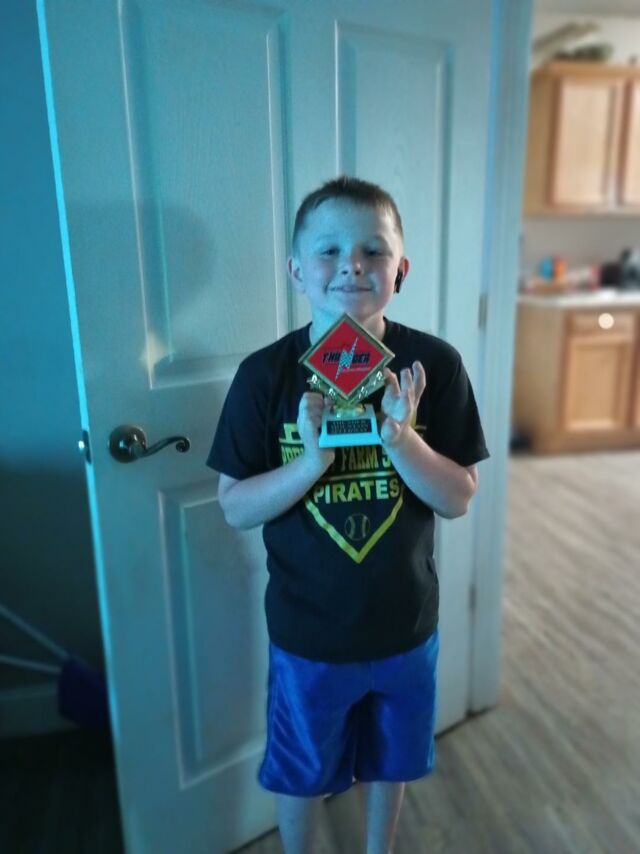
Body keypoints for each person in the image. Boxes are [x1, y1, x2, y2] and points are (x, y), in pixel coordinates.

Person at [207, 176, 489, 854]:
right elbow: (235, 506)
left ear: (401, 269)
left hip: (405, 626)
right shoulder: (265, 377)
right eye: (329, 250)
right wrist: (310, 464)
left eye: (373, 250)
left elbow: (457, 497)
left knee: (393, 763)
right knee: (301, 772)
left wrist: (401, 439)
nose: (352, 266)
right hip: (309, 634)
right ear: (296, 269)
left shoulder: (434, 367)